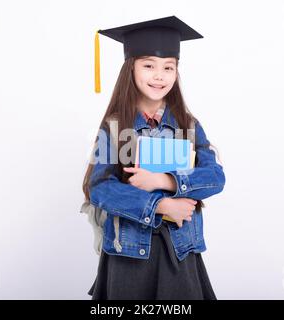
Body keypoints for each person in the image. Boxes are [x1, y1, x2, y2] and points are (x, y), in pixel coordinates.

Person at [82, 16, 226, 300]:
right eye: (149, 65)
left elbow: (215, 177)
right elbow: (99, 188)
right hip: (129, 252)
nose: (159, 76)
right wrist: (159, 205)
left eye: (168, 67)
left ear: (176, 72)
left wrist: (166, 181)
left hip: (180, 249)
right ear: (131, 68)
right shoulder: (114, 127)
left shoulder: (189, 125)